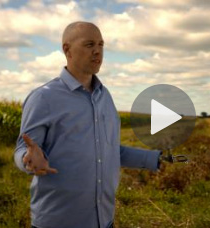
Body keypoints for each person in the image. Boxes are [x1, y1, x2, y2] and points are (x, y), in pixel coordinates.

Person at [14, 21, 162, 228]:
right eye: (89, 44)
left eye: (101, 45)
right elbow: (24, 149)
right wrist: (28, 160)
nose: (97, 51)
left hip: (104, 219)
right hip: (59, 221)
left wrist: (158, 159)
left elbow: (109, 152)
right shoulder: (43, 98)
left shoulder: (105, 96)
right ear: (67, 50)